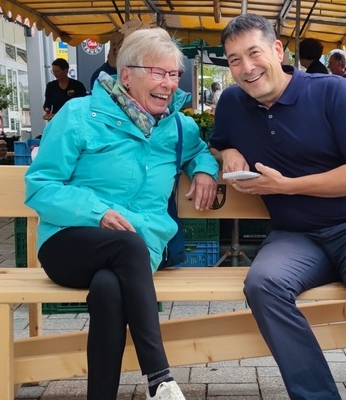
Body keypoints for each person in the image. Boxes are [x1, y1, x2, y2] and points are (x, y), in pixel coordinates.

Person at [210, 14, 346, 400]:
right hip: (296, 236)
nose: (246, 68)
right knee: (262, 284)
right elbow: (215, 141)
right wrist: (228, 150)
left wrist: (286, 187)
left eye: (253, 53)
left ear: (277, 50)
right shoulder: (233, 102)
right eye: (234, 59)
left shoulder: (333, 91)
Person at [25, 27, 219, 400]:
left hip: (138, 253)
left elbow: (199, 152)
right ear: (126, 75)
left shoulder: (179, 126)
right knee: (127, 246)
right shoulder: (79, 115)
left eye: (174, 74)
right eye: (158, 73)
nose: (169, 84)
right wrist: (98, 213)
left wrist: (205, 169)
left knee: (108, 288)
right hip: (70, 243)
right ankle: (159, 378)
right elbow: (40, 186)